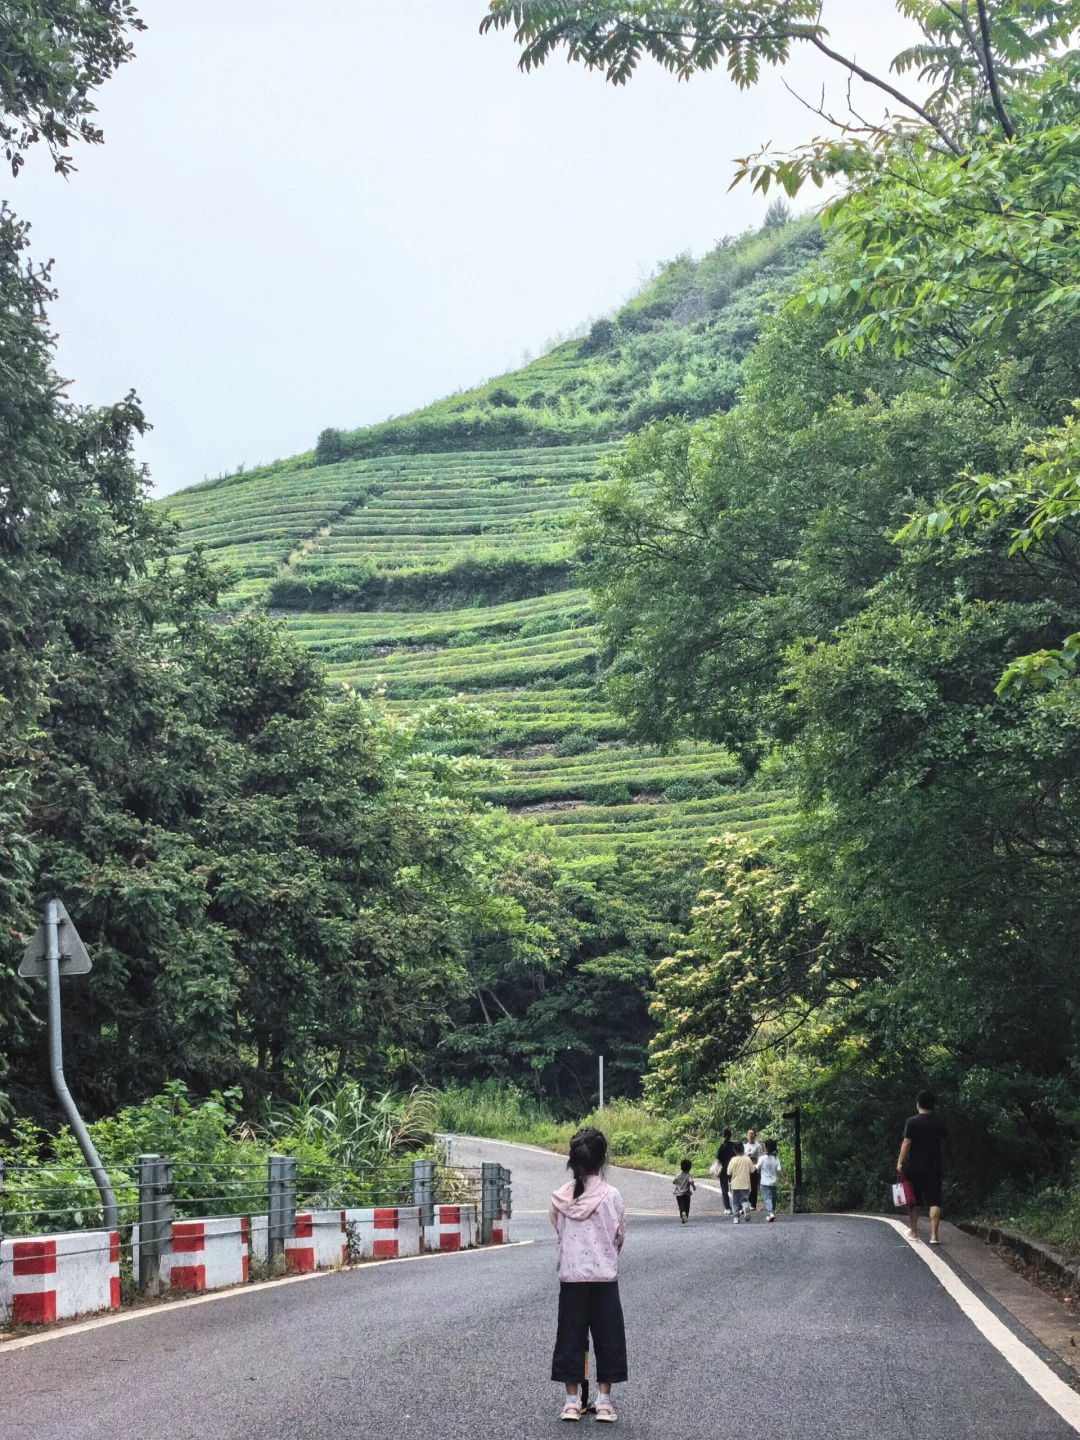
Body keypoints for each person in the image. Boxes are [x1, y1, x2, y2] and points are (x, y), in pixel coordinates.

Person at [550, 1127, 627, 1423]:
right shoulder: (612, 1196)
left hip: (572, 1279)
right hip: (604, 1279)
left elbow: (558, 1228)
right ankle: (604, 1401)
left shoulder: (560, 1197)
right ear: (603, 1159)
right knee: (608, 1338)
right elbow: (619, 1235)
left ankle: (571, 1402)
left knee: (570, 1338)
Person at [897, 1089, 948, 1245]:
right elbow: (945, 1142)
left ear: (918, 1104)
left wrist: (900, 1162)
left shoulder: (912, 1122)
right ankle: (934, 1236)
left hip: (916, 1167)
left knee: (913, 1201)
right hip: (935, 1166)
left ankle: (913, 1232)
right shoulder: (939, 1122)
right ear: (933, 1105)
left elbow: (907, 1143)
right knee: (935, 1201)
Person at [726, 1145, 756, 1224]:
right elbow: (752, 1170)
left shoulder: (733, 1160)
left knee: (735, 1201)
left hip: (735, 1184)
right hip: (745, 1183)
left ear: (735, 1151)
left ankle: (736, 1218)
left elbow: (729, 1172)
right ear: (743, 1149)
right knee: (744, 1199)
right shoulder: (747, 1159)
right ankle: (746, 1207)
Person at [757, 1139, 783, 1223]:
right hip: (774, 1182)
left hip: (764, 1183)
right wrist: (785, 1179)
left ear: (766, 1147)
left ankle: (771, 1213)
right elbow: (779, 1171)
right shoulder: (776, 1159)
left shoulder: (762, 1158)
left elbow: (757, 1167)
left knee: (767, 1198)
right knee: (773, 1199)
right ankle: (771, 1213)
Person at [715, 1128, 740, 1215]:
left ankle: (727, 1208)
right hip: (734, 1169)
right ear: (730, 1135)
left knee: (724, 1189)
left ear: (723, 1135)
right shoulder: (734, 1145)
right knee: (735, 1188)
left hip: (724, 1169)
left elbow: (718, 1157)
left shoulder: (722, 1146)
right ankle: (738, 1207)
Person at [744, 1128, 763, 1211]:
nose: (751, 1136)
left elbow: (761, 1157)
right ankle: (745, 1203)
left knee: (754, 1186)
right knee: (746, 1186)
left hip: (754, 1168)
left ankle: (753, 1204)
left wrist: (754, 1158)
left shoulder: (758, 1146)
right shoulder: (745, 1146)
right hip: (746, 1168)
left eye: (752, 1134)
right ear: (747, 1136)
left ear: (754, 1135)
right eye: (749, 1134)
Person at [672, 1158, 696, 1224]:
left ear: (681, 1167)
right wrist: (693, 1186)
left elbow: (674, 1181)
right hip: (686, 1193)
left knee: (681, 1205)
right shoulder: (688, 1176)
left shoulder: (678, 1175)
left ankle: (682, 1213)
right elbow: (691, 1181)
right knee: (687, 1205)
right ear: (689, 1168)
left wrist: (678, 1183)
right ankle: (686, 1215)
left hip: (678, 1193)